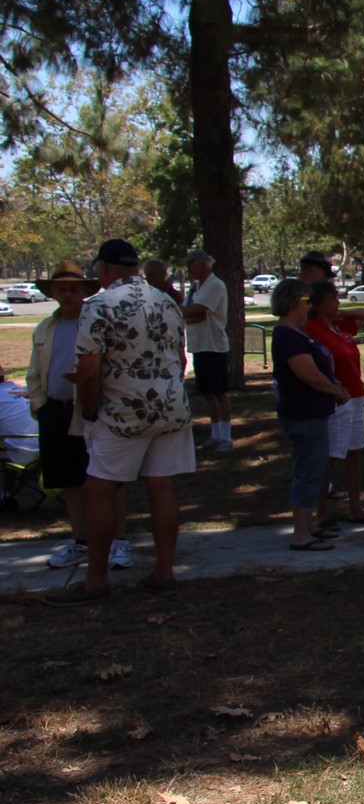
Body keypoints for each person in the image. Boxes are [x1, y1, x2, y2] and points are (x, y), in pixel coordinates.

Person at [45, 239, 195, 605]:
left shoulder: (98, 306)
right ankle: (164, 573)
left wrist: (91, 410)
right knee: (162, 488)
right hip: (170, 407)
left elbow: (90, 371)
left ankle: (96, 580)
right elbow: (181, 358)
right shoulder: (166, 301)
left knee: (99, 491)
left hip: (123, 410)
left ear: (103, 269)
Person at [25, 262, 133, 569]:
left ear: (85, 291)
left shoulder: (97, 320)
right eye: (62, 289)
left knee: (108, 479)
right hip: (55, 412)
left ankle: (120, 542)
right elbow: (34, 372)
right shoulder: (45, 327)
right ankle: (80, 541)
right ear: (53, 293)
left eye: (75, 289)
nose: (69, 294)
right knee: (69, 481)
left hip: (92, 411)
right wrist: (40, 405)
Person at [270, 279, 349, 551]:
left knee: (314, 470)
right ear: (293, 302)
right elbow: (308, 374)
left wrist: (333, 384)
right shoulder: (287, 335)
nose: (310, 306)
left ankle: (310, 525)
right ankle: (300, 534)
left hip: (315, 412)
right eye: (306, 301)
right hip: (303, 414)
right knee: (308, 471)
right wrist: (335, 391)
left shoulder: (297, 332)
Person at [303, 280, 364, 527]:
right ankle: (322, 512)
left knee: (353, 453)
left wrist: (339, 313)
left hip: (356, 394)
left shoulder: (339, 326)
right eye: (333, 299)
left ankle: (355, 508)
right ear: (319, 304)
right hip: (335, 398)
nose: (338, 301)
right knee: (330, 456)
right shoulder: (312, 330)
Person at [180, 249, 232, 453]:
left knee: (220, 393)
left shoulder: (215, 285)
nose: (188, 269)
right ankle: (215, 434)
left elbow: (197, 310)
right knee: (208, 393)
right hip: (199, 345)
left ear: (203, 264)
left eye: (191, 264)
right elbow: (189, 311)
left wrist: (187, 313)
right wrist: (189, 313)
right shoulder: (195, 288)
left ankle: (226, 437)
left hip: (214, 346)